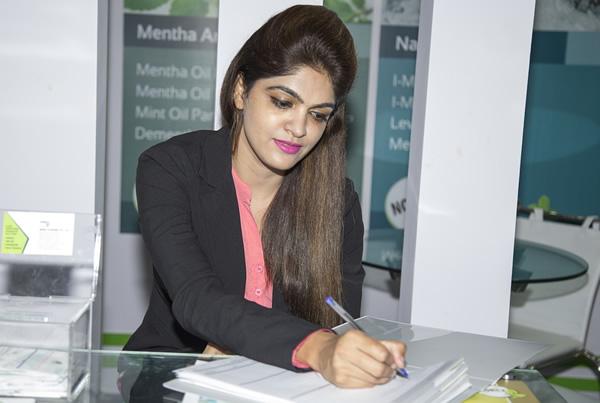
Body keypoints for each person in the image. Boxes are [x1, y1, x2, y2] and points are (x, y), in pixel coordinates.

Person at [121, 4, 406, 390]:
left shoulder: (337, 203)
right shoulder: (169, 169)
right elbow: (196, 299)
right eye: (283, 102)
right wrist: (319, 349)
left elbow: (337, 324)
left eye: (319, 114)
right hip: (171, 379)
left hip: (287, 387)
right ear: (241, 90)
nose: (300, 128)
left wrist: (355, 356)